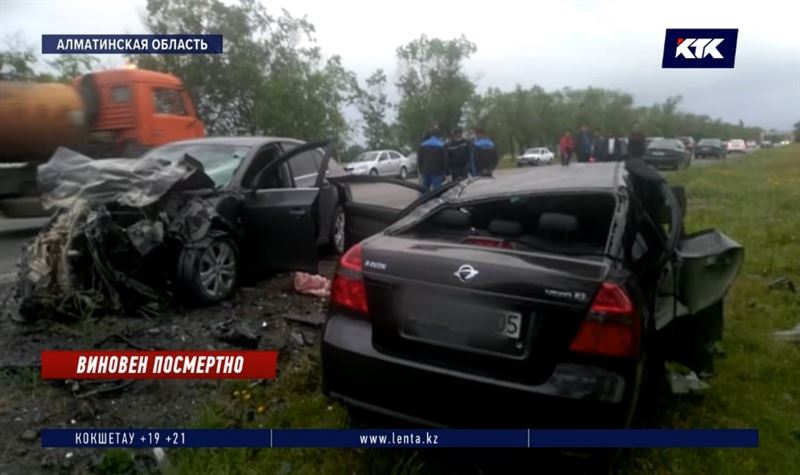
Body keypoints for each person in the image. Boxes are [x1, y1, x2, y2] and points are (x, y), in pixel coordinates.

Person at [417, 127, 448, 192]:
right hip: (437, 172)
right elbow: (444, 160)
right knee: (437, 192)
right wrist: (445, 171)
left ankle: (424, 202)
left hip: (425, 171)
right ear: (439, 135)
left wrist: (420, 170)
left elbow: (420, 159)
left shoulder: (423, 145)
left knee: (424, 191)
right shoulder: (441, 145)